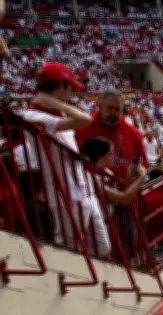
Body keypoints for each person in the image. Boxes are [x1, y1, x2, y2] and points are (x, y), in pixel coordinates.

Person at [21, 63, 109, 256]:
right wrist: (55, 103)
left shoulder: (58, 114)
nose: (72, 94)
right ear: (61, 86)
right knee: (70, 251)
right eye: (70, 88)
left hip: (84, 190)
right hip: (64, 195)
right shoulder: (32, 115)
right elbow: (86, 120)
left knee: (103, 248)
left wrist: (55, 105)